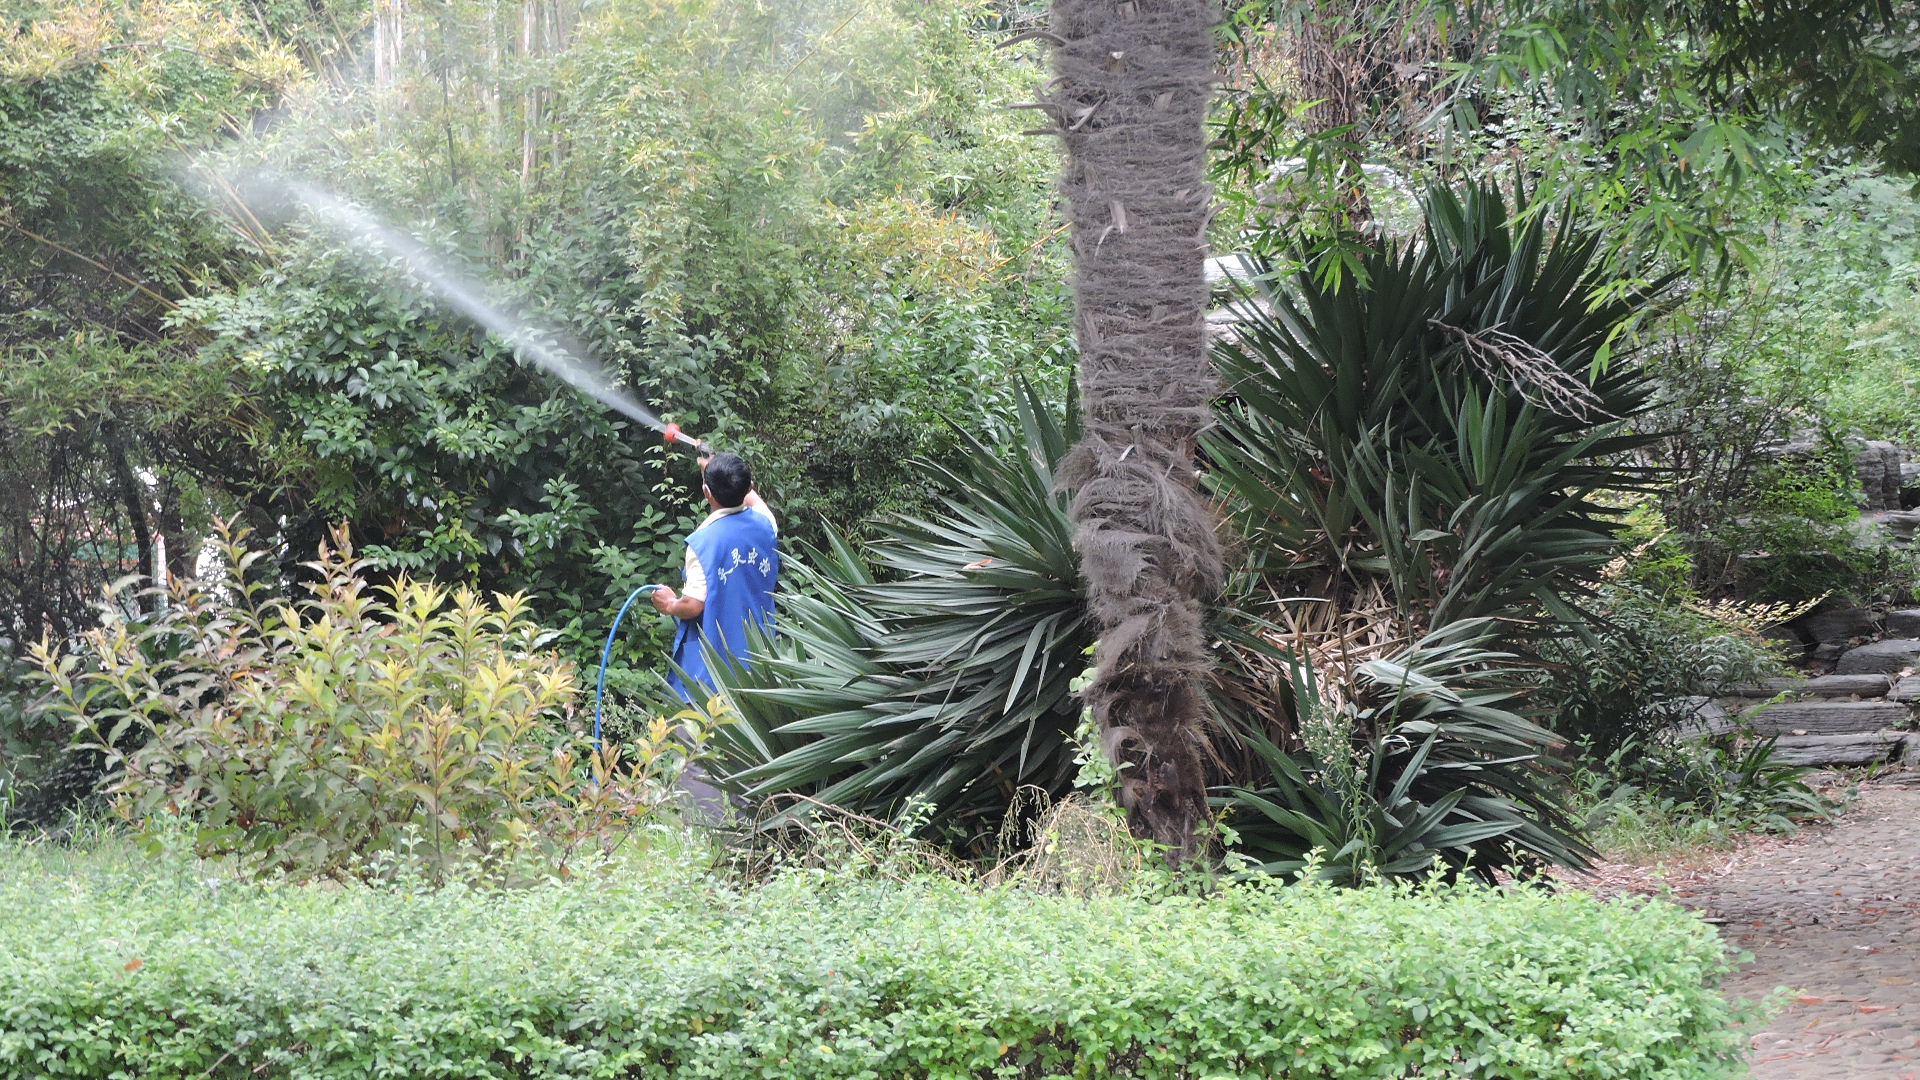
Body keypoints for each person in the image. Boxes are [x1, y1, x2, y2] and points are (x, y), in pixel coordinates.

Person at [650, 451, 779, 701]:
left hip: (714, 673)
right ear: (749, 486)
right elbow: (751, 498)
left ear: (706, 492)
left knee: (693, 735)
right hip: (759, 660)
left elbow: (693, 605)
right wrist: (722, 472)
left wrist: (669, 604)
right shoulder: (767, 525)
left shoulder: (703, 542)